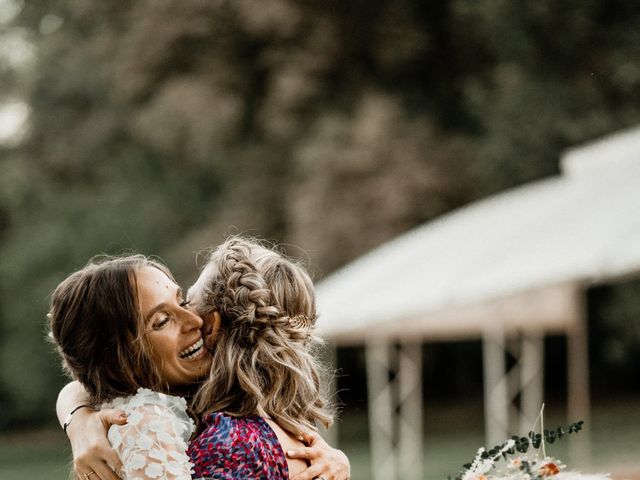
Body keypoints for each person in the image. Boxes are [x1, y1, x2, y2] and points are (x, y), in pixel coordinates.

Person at [50, 249, 349, 480]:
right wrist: (78, 419)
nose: (195, 321)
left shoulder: (231, 437)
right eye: (163, 319)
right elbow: (86, 387)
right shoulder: (151, 421)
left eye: (183, 301)